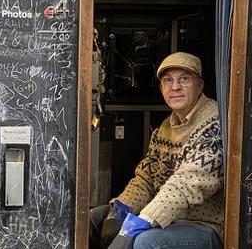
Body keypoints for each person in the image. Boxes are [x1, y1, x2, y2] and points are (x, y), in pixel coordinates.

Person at [89, 52, 224, 249]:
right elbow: (146, 179)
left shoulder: (214, 124)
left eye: (184, 79)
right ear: (161, 88)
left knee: (145, 241)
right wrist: (120, 209)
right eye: (168, 81)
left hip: (203, 227)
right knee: (95, 219)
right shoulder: (165, 128)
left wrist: (142, 221)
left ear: (200, 85)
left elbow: (185, 186)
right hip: (169, 221)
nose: (175, 87)